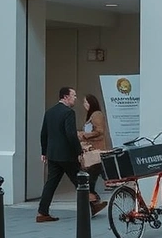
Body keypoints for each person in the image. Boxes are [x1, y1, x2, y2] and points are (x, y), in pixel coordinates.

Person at [37, 87, 87, 222]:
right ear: (65, 97)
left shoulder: (49, 112)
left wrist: (44, 151)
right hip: (67, 155)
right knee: (81, 181)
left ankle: (42, 212)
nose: (75, 98)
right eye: (73, 95)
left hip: (53, 154)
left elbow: (43, 133)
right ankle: (90, 206)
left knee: (51, 183)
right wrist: (79, 151)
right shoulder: (69, 113)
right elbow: (71, 134)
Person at [78, 94, 109, 211]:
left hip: (96, 152)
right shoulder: (91, 115)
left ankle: (94, 201)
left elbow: (99, 131)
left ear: (91, 103)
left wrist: (84, 135)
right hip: (91, 152)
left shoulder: (96, 114)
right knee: (91, 178)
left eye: (86, 102)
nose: (84, 105)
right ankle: (94, 203)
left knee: (90, 178)